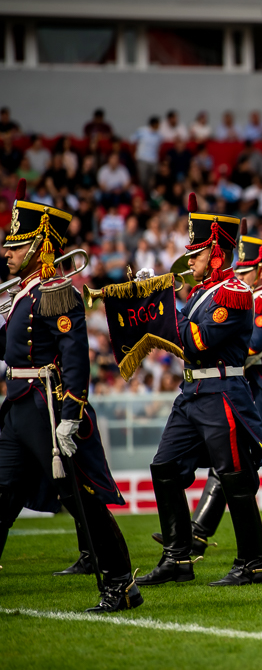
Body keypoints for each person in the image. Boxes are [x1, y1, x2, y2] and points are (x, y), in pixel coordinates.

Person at [0, 179, 141, 612]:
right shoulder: (22, 294)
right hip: (17, 405)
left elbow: (75, 359)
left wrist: (71, 415)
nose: (6, 252)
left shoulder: (58, 292)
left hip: (45, 405)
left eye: (15, 246)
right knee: (2, 492)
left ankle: (120, 583)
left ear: (39, 246)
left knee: (79, 498)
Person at [137, 195, 262, 587]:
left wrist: (162, 302)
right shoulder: (201, 293)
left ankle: (251, 564)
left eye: (195, 254)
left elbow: (198, 341)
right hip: (192, 392)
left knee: (234, 477)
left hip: (221, 392)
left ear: (215, 253)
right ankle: (177, 558)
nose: (188, 260)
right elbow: (180, 339)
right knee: (164, 468)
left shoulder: (234, 293)